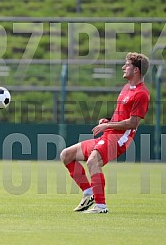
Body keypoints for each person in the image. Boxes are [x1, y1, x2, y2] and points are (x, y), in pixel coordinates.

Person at [60, 52, 150, 213]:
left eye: (127, 65)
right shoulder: (126, 88)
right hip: (108, 134)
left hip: (119, 138)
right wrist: (108, 121)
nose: (124, 67)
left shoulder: (142, 94)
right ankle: (88, 193)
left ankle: (101, 206)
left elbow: (133, 122)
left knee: (92, 161)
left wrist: (108, 126)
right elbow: (121, 114)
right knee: (66, 155)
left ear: (136, 70)